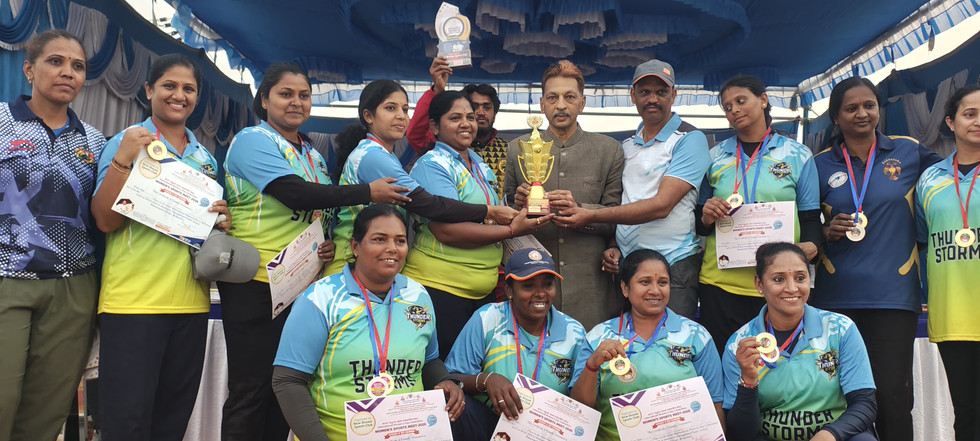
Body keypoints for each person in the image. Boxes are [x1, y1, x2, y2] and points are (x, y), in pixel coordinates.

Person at [220, 63, 410, 441]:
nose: (296, 102)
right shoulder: (252, 140)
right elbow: (295, 193)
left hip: (301, 285)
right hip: (256, 282)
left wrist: (323, 239)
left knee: (287, 387)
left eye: (304, 95)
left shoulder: (312, 153)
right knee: (251, 388)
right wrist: (366, 191)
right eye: (285, 94)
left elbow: (318, 206)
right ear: (264, 99)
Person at [90, 54, 231, 441]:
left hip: (191, 303)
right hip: (133, 302)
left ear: (197, 98)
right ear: (149, 90)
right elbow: (105, 220)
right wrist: (122, 162)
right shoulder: (127, 142)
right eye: (169, 86)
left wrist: (220, 220)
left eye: (189, 89)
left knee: (172, 421)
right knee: (127, 424)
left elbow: (203, 236)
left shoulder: (204, 160)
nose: (179, 95)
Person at [812, 76, 940, 441]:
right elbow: (801, 224)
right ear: (836, 117)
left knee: (892, 396)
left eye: (869, 105)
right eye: (850, 108)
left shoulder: (910, 151)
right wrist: (822, 232)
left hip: (894, 296)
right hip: (834, 299)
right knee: (837, 396)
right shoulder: (818, 165)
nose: (862, 113)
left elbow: (957, 174)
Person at [272, 204, 465, 441]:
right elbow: (288, 380)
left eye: (400, 241)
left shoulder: (419, 295)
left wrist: (445, 381)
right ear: (355, 246)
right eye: (379, 239)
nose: (392, 248)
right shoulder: (321, 298)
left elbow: (429, 360)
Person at [0, 29, 104, 441]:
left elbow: (113, 210)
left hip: (73, 288)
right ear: (29, 69)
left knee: (47, 410)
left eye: (77, 66)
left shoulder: (95, 142)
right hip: (7, 278)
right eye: (55, 61)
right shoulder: (2, 123)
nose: (68, 72)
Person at [554, 59, 710, 319]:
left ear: (674, 95)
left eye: (661, 92)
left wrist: (590, 214)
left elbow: (662, 206)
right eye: (644, 92)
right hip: (628, 268)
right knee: (630, 351)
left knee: (672, 348)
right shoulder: (626, 146)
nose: (652, 99)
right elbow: (624, 200)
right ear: (632, 96)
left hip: (673, 265)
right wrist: (614, 243)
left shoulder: (690, 139)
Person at [402, 91, 550, 359]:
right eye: (455, 117)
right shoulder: (432, 164)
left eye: (470, 117)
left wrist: (522, 208)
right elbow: (447, 231)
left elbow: (489, 218)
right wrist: (513, 230)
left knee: (471, 373)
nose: (466, 123)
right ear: (434, 126)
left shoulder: (480, 166)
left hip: (481, 293)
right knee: (444, 374)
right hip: (441, 289)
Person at [327, 79, 517, 275]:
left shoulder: (384, 154)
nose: (401, 116)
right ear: (368, 116)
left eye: (405, 109)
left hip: (371, 263)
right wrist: (490, 212)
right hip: (352, 265)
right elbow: (430, 205)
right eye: (391, 108)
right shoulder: (373, 156)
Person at [697, 75, 821, 353]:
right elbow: (699, 222)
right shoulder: (714, 157)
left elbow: (811, 218)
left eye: (741, 101)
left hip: (778, 285)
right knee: (724, 368)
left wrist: (812, 247)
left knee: (776, 368)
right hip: (721, 285)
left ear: (763, 100)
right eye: (727, 107)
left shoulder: (797, 155)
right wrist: (706, 214)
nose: (734, 110)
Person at [503, 60, 625, 329]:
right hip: (530, 285)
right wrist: (519, 205)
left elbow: (617, 219)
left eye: (569, 97)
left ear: (582, 103)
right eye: (552, 97)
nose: (560, 105)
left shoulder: (610, 150)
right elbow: (505, 217)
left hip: (591, 286)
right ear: (542, 104)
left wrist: (582, 211)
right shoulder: (517, 149)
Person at [723, 242, 877, 441]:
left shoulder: (840, 329)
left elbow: (865, 404)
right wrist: (749, 382)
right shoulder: (740, 344)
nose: (792, 288)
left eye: (800, 278)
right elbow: (741, 434)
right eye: (778, 279)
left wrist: (830, 434)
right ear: (759, 285)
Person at [570, 249, 724, 441]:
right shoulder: (598, 337)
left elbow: (715, 405)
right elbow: (580, 409)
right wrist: (592, 365)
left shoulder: (695, 335)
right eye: (645, 282)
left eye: (663, 282)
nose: (655, 290)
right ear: (625, 288)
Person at [445, 248, 587, 439]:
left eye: (548, 285)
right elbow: (452, 379)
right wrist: (488, 380)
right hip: (491, 423)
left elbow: (581, 403)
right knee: (455, 407)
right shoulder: (488, 318)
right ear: (509, 290)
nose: (540, 293)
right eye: (528, 286)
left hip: (548, 429)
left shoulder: (574, 332)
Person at [915, 84, 980, 441]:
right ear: (951, 122)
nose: (978, 122)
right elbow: (924, 240)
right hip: (954, 312)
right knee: (966, 413)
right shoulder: (930, 179)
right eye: (970, 114)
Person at [407, 57, 509, 198]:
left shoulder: (508, 149)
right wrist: (437, 90)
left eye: (487, 107)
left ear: (495, 112)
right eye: (474, 107)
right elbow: (416, 134)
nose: (480, 112)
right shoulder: (447, 147)